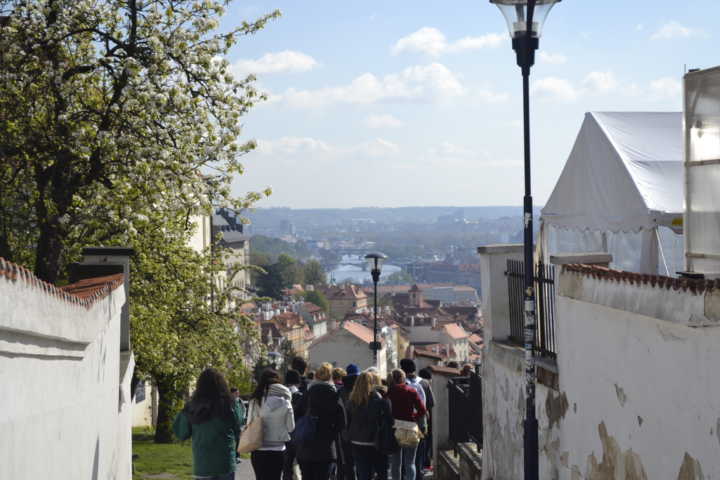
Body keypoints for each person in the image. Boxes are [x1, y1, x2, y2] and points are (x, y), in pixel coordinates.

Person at [173, 368, 243, 480]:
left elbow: (181, 432)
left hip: (203, 463)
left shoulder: (192, 406)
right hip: (225, 462)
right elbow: (238, 427)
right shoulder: (230, 404)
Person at [296, 362, 345, 480]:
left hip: (306, 447)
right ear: (330, 378)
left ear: (316, 376)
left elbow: (296, 414)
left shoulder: (308, 393)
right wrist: (331, 433)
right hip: (326, 448)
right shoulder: (334, 395)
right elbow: (342, 422)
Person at [249, 369, 295, 480]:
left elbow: (249, 424)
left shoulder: (256, 400)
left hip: (259, 448)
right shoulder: (286, 402)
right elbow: (291, 427)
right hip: (278, 449)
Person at [347, 371, 393, 480]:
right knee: (382, 472)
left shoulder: (352, 400)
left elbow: (347, 421)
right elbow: (389, 420)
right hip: (375, 441)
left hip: (356, 441)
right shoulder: (379, 400)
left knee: (363, 474)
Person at [386, 369, 426, 480]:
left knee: (395, 463)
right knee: (410, 462)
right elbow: (422, 410)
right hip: (410, 426)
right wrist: (414, 417)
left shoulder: (389, 392)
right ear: (403, 378)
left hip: (394, 428)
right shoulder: (411, 391)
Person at [399, 359, 427, 480]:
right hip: (418, 423)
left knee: (403, 458)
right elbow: (428, 404)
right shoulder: (423, 384)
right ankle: (418, 475)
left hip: (402, 424)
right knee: (415, 456)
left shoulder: (398, 385)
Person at [338, 364, 361, 480]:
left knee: (348, 461)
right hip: (361, 431)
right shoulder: (362, 390)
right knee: (361, 462)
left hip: (345, 431)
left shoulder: (341, 391)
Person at [283, 370, 304, 480]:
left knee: (287, 466)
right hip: (298, 434)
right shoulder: (300, 396)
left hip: (283, 434)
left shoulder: (282, 395)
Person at [417, 369, 435, 473]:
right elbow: (432, 403)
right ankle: (425, 465)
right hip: (424, 419)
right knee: (425, 443)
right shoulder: (425, 384)